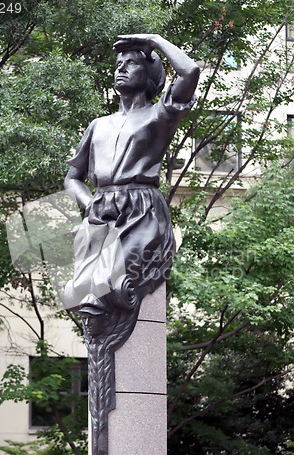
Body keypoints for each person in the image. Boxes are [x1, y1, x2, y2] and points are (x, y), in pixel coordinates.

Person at [64, 33, 200, 319]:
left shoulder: (159, 115)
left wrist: (154, 40)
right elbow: (72, 177)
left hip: (142, 212)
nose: (121, 68)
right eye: (118, 64)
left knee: (112, 281)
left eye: (131, 63)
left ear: (149, 74)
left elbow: (191, 72)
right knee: (79, 293)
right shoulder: (98, 126)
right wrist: (89, 204)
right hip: (100, 212)